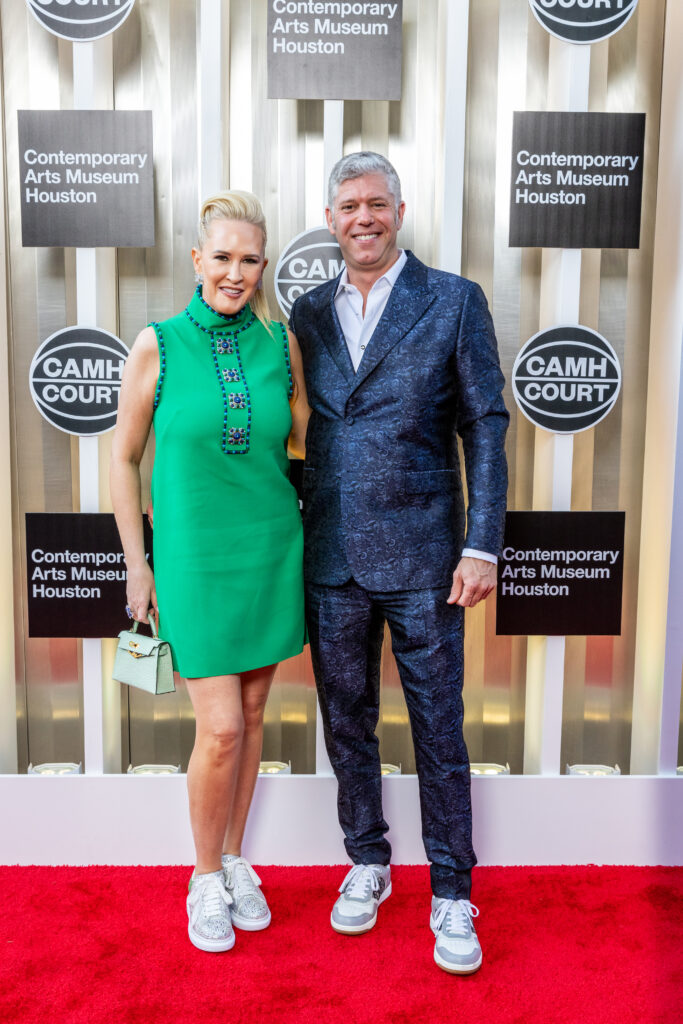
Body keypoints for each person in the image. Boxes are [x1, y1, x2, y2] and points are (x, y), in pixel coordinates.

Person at [289, 152, 508, 974]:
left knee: (437, 728)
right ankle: (367, 863)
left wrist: (481, 543)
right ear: (331, 218)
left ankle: (452, 890)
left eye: (376, 204)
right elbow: (300, 432)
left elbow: (485, 424)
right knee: (346, 724)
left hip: (426, 558)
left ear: (400, 210)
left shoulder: (453, 301)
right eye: (348, 207)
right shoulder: (304, 313)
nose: (363, 218)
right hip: (332, 557)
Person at [111, 190, 308, 954]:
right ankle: (202, 877)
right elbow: (124, 462)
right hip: (192, 559)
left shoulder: (279, 344)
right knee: (220, 727)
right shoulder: (156, 345)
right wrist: (138, 564)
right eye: (221, 256)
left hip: (267, 547)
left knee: (253, 721)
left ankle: (233, 860)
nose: (235, 271)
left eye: (250, 259)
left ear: (264, 266)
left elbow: (300, 447)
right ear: (197, 260)